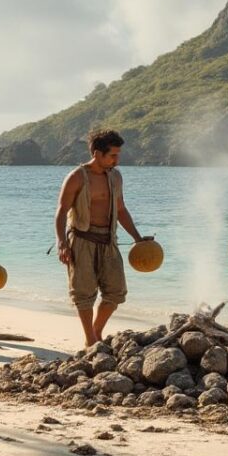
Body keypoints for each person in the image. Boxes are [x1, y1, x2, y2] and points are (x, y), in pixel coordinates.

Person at [55, 129, 148, 347]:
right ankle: (90, 339)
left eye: (118, 154)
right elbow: (61, 212)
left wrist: (137, 238)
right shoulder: (77, 177)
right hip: (81, 240)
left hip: (108, 241)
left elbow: (122, 210)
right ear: (97, 153)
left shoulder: (115, 176)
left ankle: (96, 331)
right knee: (83, 293)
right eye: (113, 155)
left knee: (116, 292)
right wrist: (62, 243)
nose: (117, 160)